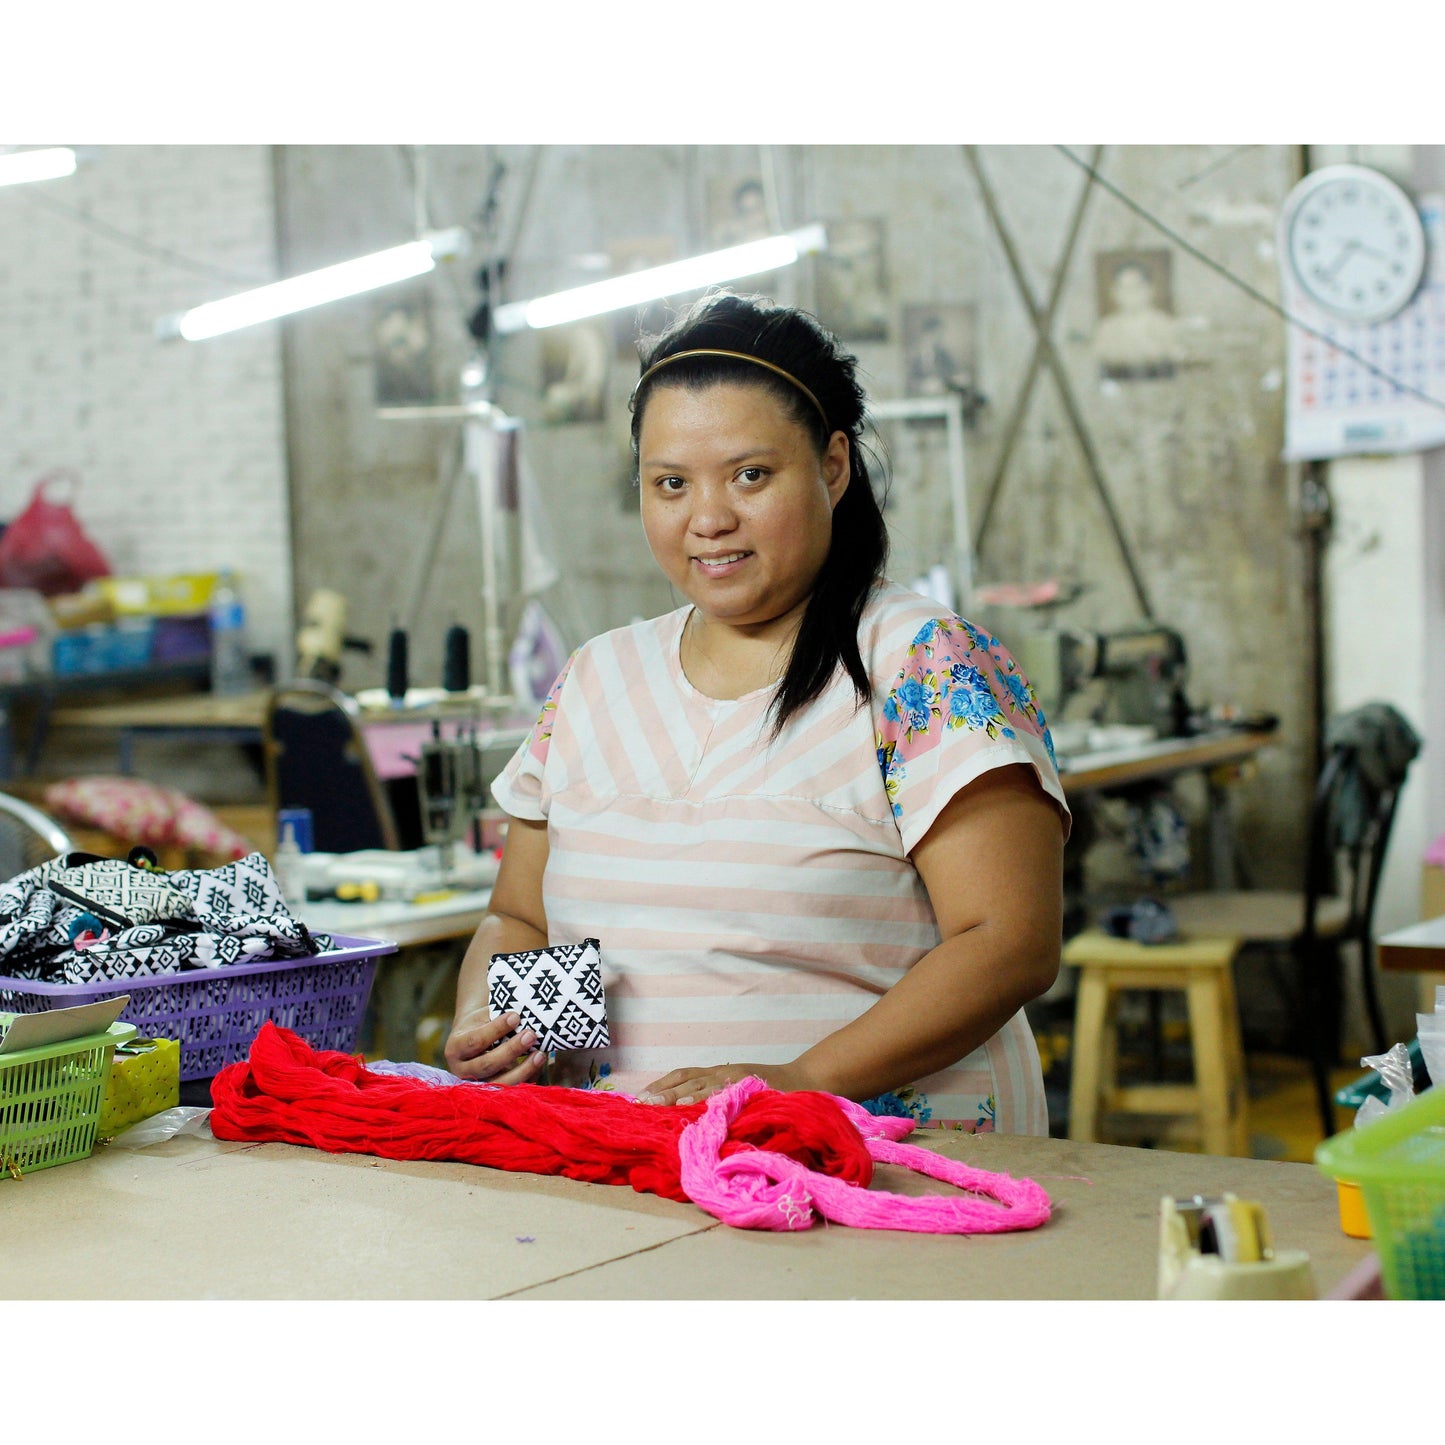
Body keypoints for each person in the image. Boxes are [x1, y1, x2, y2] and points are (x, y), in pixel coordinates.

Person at [445, 292, 1070, 1132]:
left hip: (881, 1173)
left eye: (750, 475)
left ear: (834, 466)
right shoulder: (597, 677)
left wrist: (800, 1079)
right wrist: (485, 1020)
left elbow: (1008, 940)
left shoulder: (919, 662)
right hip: (628, 1172)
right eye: (670, 484)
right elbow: (518, 915)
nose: (708, 519)